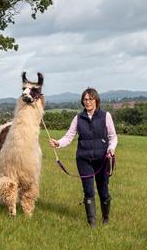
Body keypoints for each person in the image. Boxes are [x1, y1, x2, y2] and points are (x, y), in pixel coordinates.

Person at [49, 87, 118, 227]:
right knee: (88, 191)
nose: (88, 102)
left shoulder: (106, 116)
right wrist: (58, 143)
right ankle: (91, 223)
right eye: (85, 99)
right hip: (83, 159)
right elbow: (69, 137)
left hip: (102, 159)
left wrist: (111, 149)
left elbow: (113, 137)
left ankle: (105, 219)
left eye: (90, 99)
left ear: (96, 100)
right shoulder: (78, 118)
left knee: (103, 191)